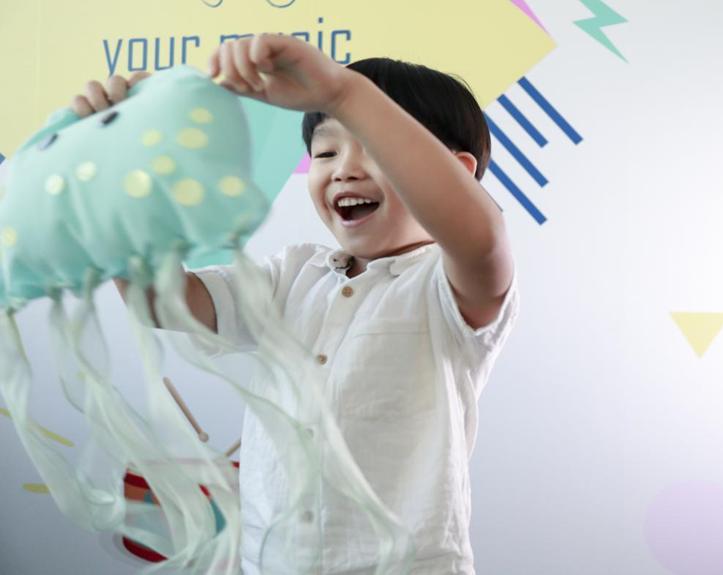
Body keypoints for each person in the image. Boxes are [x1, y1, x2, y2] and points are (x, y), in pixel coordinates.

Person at [71, 34, 518, 574]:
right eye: (326, 152)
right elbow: (165, 302)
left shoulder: (446, 288)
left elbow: (480, 235)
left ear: (457, 171)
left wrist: (343, 93)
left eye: (374, 149)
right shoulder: (292, 273)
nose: (343, 170)